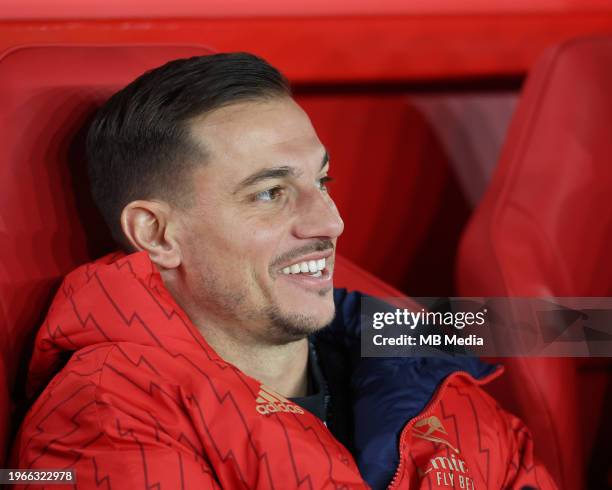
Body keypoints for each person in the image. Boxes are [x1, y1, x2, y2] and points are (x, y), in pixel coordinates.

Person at [12, 52, 557, 489]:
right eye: (271, 193)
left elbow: (570, 327)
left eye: (322, 182)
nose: (331, 222)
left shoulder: (423, 365)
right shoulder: (105, 420)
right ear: (157, 234)